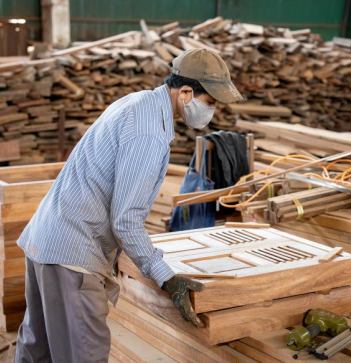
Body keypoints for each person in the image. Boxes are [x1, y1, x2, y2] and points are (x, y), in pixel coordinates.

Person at [15, 49, 243, 362]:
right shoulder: (149, 132)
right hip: (73, 254)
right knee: (85, 355)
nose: (212, 111)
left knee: (36, 349)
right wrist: (165, 276)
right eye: (211, 103)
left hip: (46, 241)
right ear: (186, 92)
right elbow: (125, 221)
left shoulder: (138, 103)